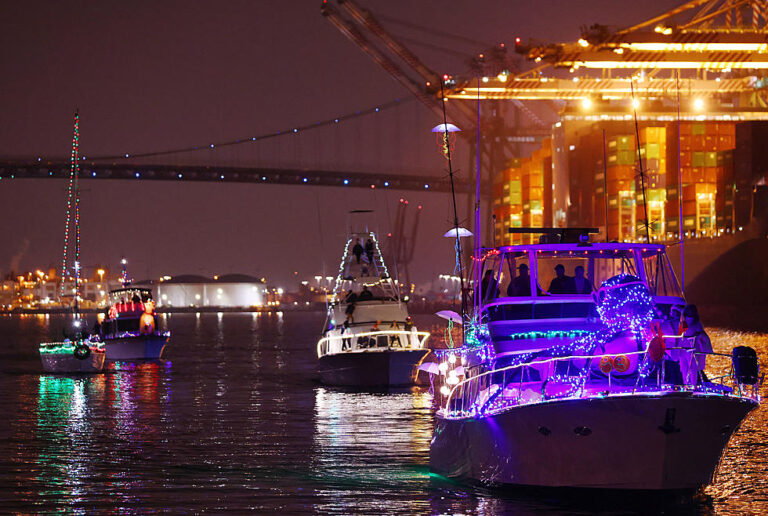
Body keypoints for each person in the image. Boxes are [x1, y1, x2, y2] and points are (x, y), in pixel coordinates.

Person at [680, 304, 713, 384]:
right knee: (687, 368)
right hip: (686, 347)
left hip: (691, 347)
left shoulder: (695, 324)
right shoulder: (686, 323)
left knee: (690, 369)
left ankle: (689, 385)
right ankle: (689, 385)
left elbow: (701, 334)